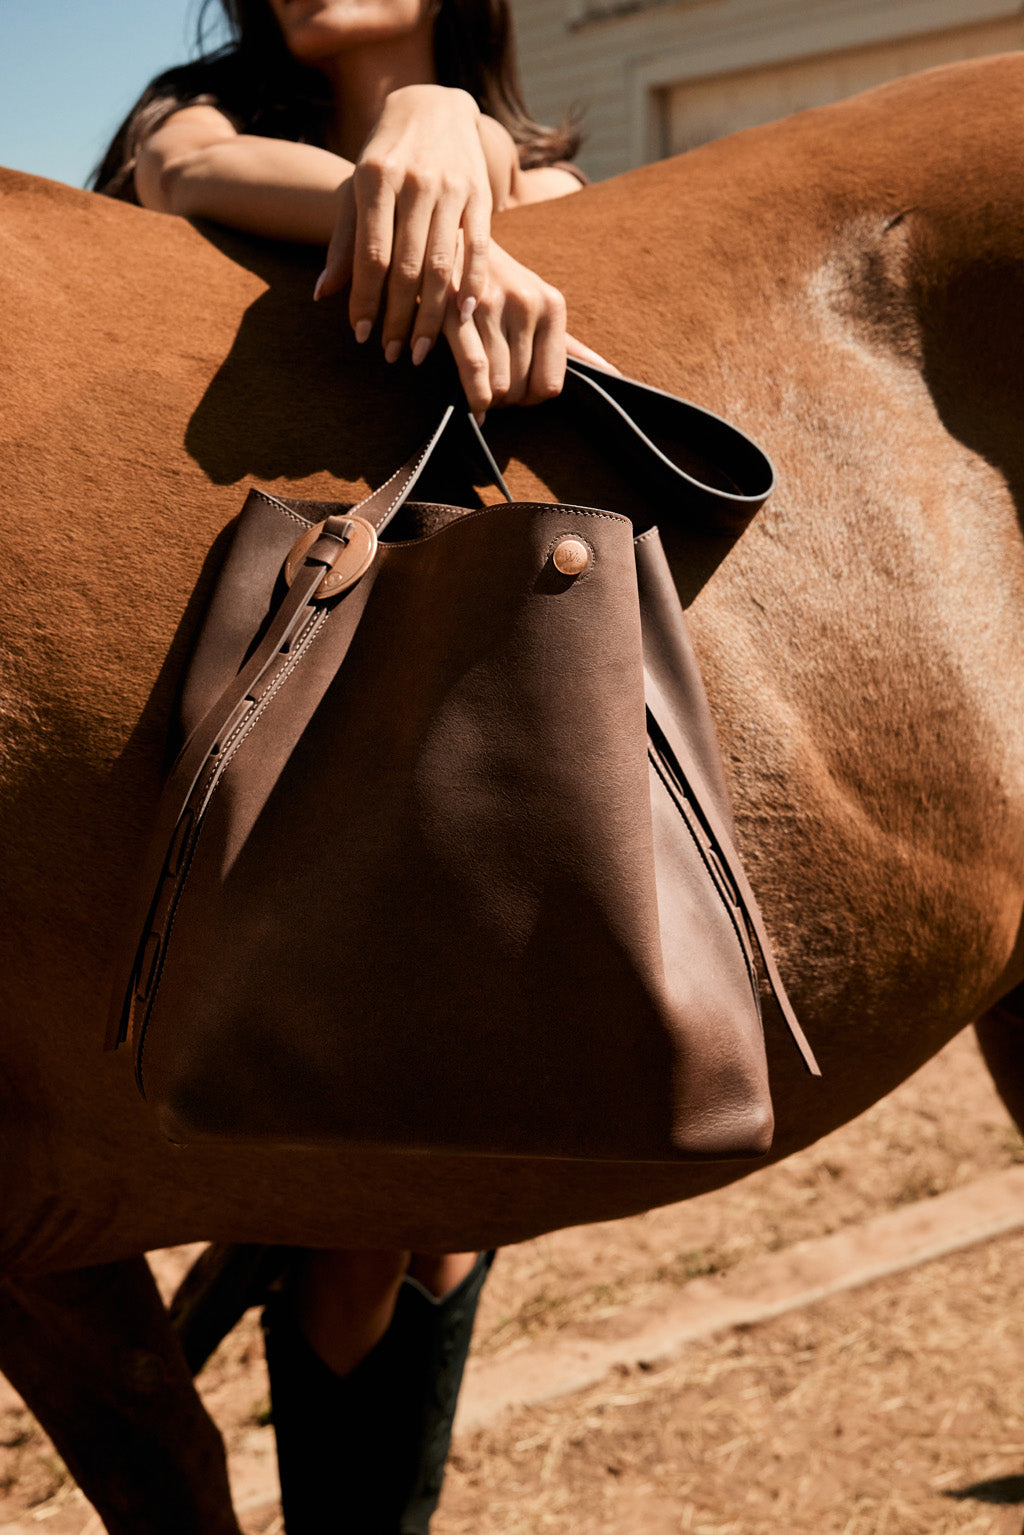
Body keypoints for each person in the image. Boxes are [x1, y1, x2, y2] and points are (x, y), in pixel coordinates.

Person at [93, 3, 598, 1530]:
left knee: (424, 1204)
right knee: (363, 1189)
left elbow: (569, 226)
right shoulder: (191, 113)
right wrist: (423, 160)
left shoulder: (546, 178)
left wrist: (449, 136)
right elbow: (188, 179)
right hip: (222, 699)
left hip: (445, 703)